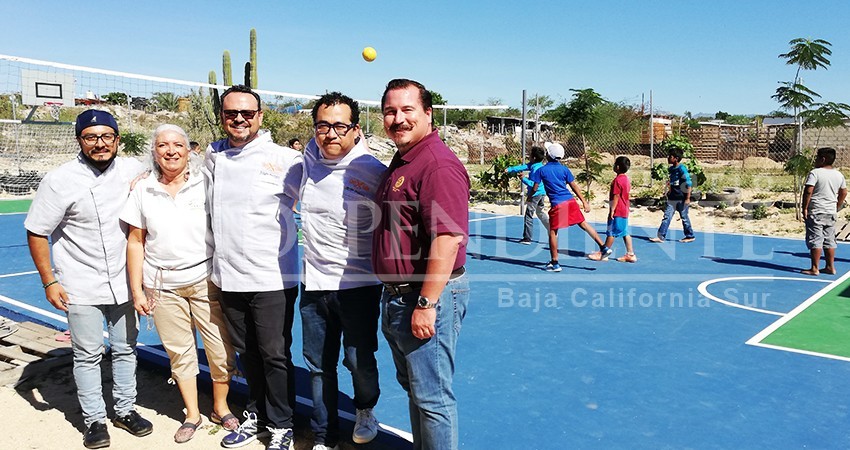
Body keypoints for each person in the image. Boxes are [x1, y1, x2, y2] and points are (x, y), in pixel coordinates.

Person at [24, 109, 152, 449]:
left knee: (126, 349)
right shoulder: (59, 180)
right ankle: (94, 420)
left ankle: (125, 410)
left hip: (126, 281)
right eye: (91, 137)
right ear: (80, 140)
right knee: (87, 354)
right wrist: (49, 280)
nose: (100, 144)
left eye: (107, 136)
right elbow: (37, 231)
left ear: (118, 139)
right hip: (79, 282)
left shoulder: (134, 170)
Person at [120, 124, 238, 443]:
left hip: (205, 280)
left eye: (177, 145)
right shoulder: (142, 189)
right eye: (162, 145)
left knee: (220, 349)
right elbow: (135, 241)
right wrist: (137, 290)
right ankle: (192, 414)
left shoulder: (206, 182)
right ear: (154, 152)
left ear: (189, 150)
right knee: (179, 352)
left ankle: (220, 407)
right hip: (161, 285)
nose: (170, 151)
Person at [203, 85, 303, 450]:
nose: (240, 119)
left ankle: (282, 423)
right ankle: (256, 414)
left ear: (260, 116)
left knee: (274, 353)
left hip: (272, 277)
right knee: (247, 352)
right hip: (228, 275)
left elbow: (325, 189)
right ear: (223, 117)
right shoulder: (213, 158)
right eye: (232, 114)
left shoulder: (285, 160)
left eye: (247, 113)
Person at [373, 78, 470, 450]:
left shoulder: (436, 165)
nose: (398, 118)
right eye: (390, 111)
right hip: (400, 296)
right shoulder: (405, 158)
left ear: (428, 114)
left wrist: (426, 304)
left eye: (407, 110)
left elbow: (447, 239)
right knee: (417, 390)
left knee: (432, 399)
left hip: (423, 296)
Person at [298, 92, 386, 450]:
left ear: (355, 129)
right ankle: (324, 435)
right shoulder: (305, 161)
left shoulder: (373, 170)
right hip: (314, 284)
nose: (330, 133)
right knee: (318, 365)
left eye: (339, 125)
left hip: (359, 285)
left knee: (357, 359)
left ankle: (366, 408)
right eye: (323, 125)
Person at [528, 142, 611, 272]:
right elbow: (574, 186)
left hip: (558, 205)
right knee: (584, 224)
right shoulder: (565, 169)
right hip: (570, 202)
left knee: (552, 233)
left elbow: (535, 187)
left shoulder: (541, 170)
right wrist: (584, 202)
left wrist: (530, 196)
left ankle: (555, 262)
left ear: (548, 155)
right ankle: (603, 247)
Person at [801, 147, 847, 276]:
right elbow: (843, 191)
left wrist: (804, 207)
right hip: (830, 211)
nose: (815, 160)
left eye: (817, 158)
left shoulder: (815, 173)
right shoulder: (838, 174)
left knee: (816, 239)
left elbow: (809, 190)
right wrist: (837, 205)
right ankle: (830, 267)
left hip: (816, 210)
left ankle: (814, 268)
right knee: (829, 239)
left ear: (822, 159)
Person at [589, 156, 637, 262]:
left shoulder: (617, 180)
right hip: (624, 210)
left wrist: (612, 210)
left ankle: (604, 253)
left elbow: (616, 196)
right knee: (624, 232)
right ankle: (631, 254)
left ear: (618, 167)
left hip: (618, 211)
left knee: (611, 232)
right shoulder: (626, 180)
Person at [650, 147, 695, 243]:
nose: (668, 158)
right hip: (672, 198)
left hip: (682, 198)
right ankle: (661, 236)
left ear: (676, 158)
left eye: (670, 156)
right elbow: (671, 182)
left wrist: (687, 198)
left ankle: (690, 235)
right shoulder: (671, 169)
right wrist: (669, 190)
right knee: (667, 216)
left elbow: (689, 184)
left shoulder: (682, 169)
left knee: (684, 217)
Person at [505, 145, 549, 244]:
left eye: (530, 156)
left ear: (533, 158)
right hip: (542, 193)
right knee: (540, 212)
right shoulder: (536, 165)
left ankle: (527, 238)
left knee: (529, 215)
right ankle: (551, 229)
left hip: (535, 194)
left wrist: (523, 179)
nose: (528, 157)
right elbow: (523, 167)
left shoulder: (535, 169)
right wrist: (510, 169)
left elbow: (534, 185)